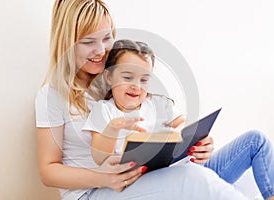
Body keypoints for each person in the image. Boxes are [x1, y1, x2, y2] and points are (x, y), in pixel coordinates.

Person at [35, 0, 273, 199]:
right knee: (196, 179)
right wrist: (104, 178)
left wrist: (200, 143)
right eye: (88, 42)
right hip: (95, 192)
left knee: (253, 149)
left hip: (150, 177)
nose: (100, 50)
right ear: (67, 42)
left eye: (106, 38)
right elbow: (48, 171)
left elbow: (173, 124)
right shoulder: (53, 94)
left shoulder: (121, 79)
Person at [83, 39, 274, 200]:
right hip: (159, 186)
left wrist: (200, 142)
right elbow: (99, 157)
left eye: (144, 80)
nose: (136, 86)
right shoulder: (104, 111)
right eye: (128, 77)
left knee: (256, 140)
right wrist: (114, 129)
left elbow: (184, 124)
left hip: (193, 173)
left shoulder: (158, 104)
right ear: (108, 77)